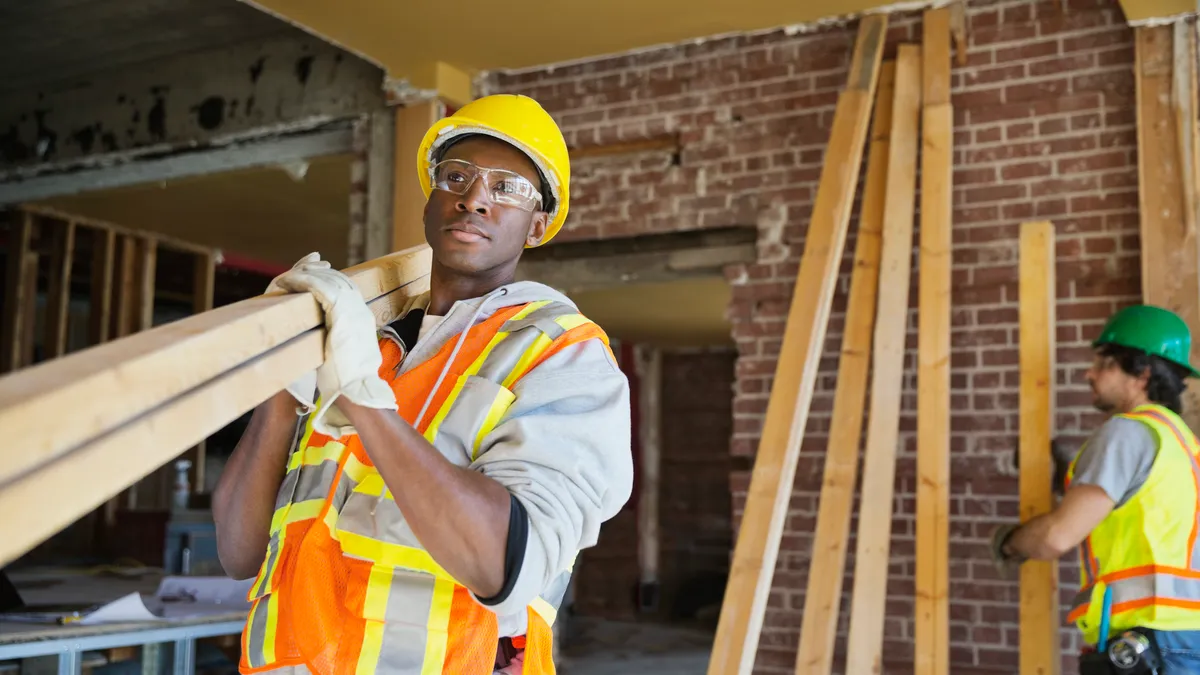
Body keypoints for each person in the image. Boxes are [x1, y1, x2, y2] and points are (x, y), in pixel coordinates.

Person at [212, 94, 633, 675]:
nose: (474, 198)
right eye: (455, 176)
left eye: (507, 187)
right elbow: (239, 554)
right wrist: (284, 386)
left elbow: (501, 563)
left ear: (538, 226)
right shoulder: (365, 336)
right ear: (432, 200)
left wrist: (361, 394)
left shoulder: (563, 356)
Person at [991, 304, 1200, 673]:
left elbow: (1057, 536)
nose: (1090, 373)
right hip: (1184, 637)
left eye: (1105, 364)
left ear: (1142, 374)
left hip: (1149, 641)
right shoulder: (1180, 440)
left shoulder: (1127, 432)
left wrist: (1011, 542)